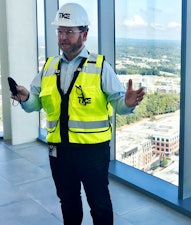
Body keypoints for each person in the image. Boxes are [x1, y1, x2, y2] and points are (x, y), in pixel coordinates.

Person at [11, 3, 145, 225]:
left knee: (99, 203)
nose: (63, 37)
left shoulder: (100, 66)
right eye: (60, 31)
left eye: (69, 32)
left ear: (84, 34)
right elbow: (36, 104)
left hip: (92, 151)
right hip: (59, 149)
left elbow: (119, 105)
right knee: (68, 202)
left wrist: (127, 103)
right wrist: (25, 98)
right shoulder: (49, 66)